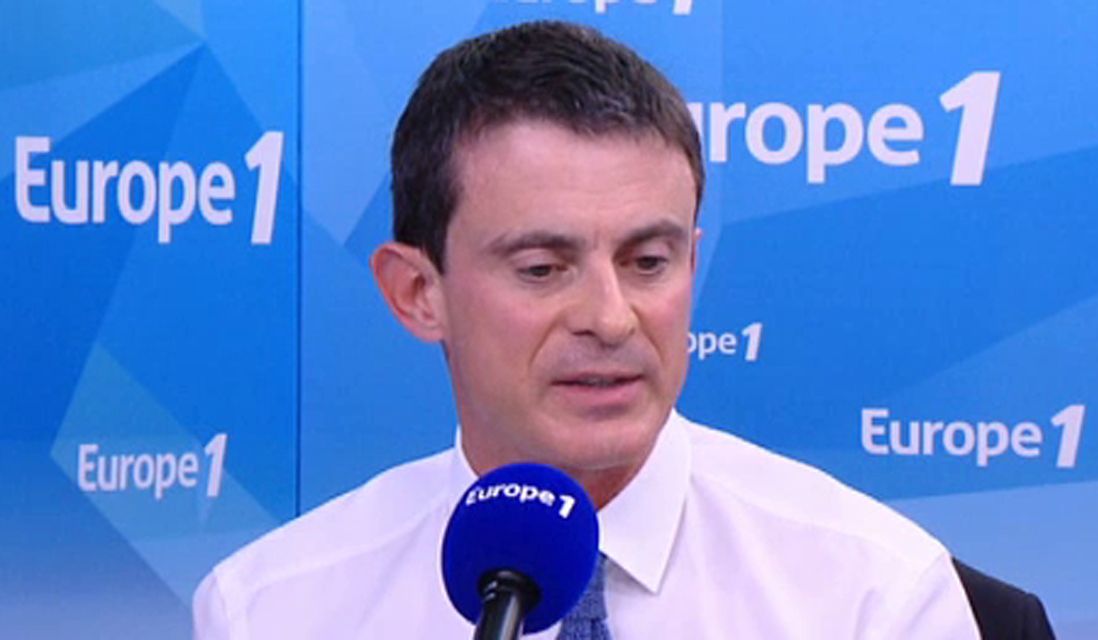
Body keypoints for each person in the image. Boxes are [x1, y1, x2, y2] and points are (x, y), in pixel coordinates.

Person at [193, 20, 981, 639]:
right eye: (542, 268)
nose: (610, 318)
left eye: (648, 262)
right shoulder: (272, 612)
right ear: (418, 292)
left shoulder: (877, 598)